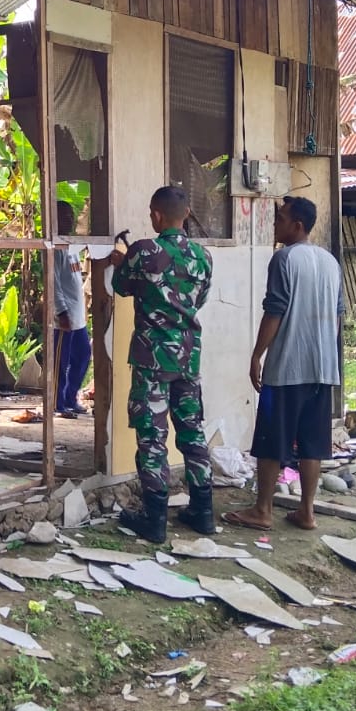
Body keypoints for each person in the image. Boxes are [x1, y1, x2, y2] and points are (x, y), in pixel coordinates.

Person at [226, 196, 345, 532]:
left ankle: (262, 509)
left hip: (288, 366)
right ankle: (307, 511)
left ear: (298, 226)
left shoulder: (284, 259)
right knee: (312, 442)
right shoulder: (330, 262)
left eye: (280, 218)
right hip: (323, 368)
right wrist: (325, 351)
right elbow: (337, 317)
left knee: (272, 440)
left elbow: (274, 310)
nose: (274, 223)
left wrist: (256, 354)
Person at [109, 185, 215, 542]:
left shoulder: (143, 251)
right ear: (186, 214)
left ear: (156, 215)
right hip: (188, 355)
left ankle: (154, 519)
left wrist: (122, 263)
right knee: (192, 429)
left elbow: (121, 287)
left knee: (152, 436)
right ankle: (203, 511)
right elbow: (198, 299)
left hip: (152, 357)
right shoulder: (203, 256)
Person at [52, 200, 90, 420]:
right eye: (63, 215)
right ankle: (58, 404)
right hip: (64, 318)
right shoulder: (55, 248)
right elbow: (53, 283)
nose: (69, 219)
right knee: (60, 362)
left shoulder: (71, 246)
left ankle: (70, 398)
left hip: (79, 317)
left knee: (83, 356)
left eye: (70, 215)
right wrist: (61, 312)